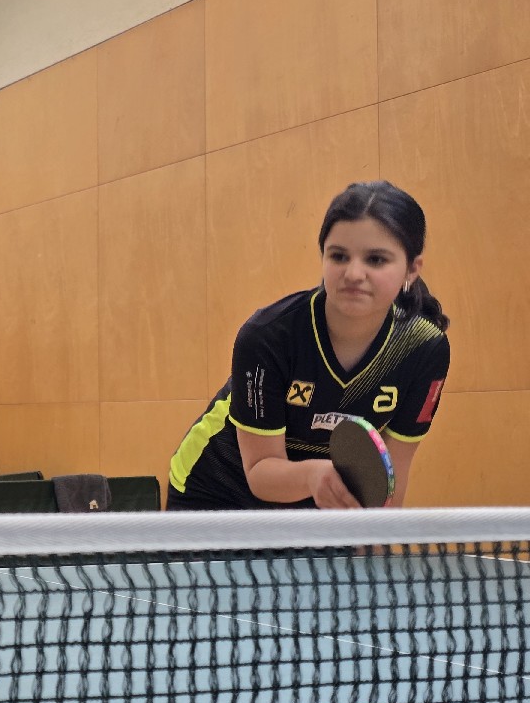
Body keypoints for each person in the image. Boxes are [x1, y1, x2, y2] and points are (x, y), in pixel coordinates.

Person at [167, 180, 450, 511]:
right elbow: (260, 471)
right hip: (216, 488)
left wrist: (372, 537)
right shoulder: (268, 335)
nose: (353, 273)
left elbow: (391, 479)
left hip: (314, 494)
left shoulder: (423, 349)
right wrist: (316, 476)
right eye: (339, 256)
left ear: (412, 269)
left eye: (376, 259)